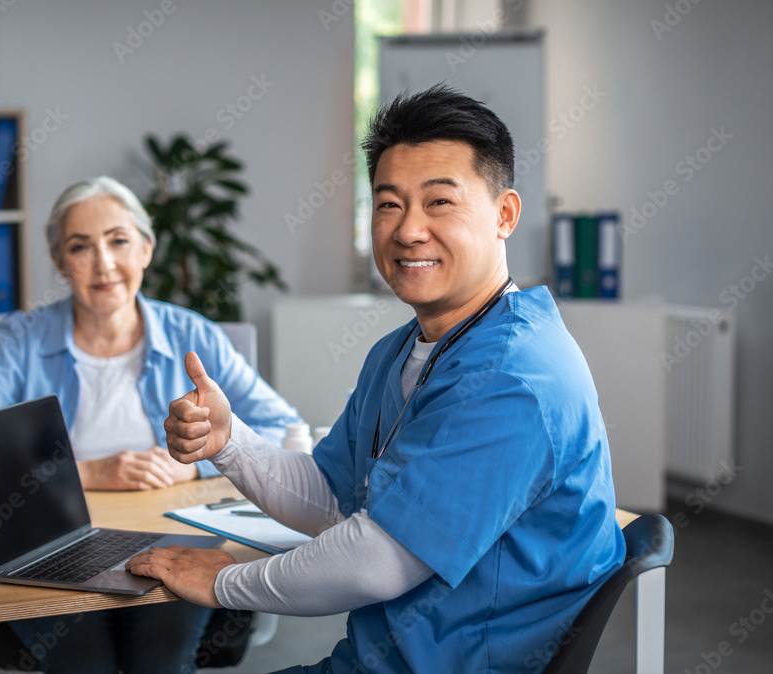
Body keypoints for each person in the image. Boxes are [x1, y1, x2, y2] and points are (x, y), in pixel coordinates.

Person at [126, 85, 627, 672]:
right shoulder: (402, 351)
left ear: (505, 215)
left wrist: (226, 582)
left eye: (440, 202)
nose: (408, 230)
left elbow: (377, 561)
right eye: (389, 204)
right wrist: (229, 441)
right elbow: (332, 495)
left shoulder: (516, 376)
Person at [0, 176, 302, 673]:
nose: (103, 263)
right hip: (56, 542)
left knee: (160, 654)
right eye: (81, 247)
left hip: (173, 538)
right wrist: (85, 473)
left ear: (146, 248)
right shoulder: (21, 341)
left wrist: (194, 470)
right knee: (85, 659)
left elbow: (285, 428)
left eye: (119, 241)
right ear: (61, 262)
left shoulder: (192, 333)